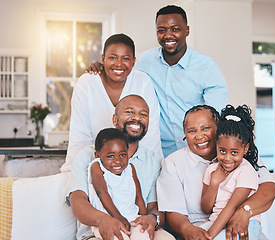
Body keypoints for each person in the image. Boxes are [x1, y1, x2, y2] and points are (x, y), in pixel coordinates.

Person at [85, 5, 228, 158]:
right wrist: (104, 68)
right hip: (160, 154)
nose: (168, 35)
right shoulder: (145, 61)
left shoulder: (207, 68)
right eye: (161, 30)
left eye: (175, 29)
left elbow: (217, 118)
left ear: (187, 31)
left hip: (197, 151)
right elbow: (124, 72)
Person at [156, 105, 275, 240]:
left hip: (241, 225)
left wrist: (244, 211)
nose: (199, 136)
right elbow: (174, 213)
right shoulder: (173, 163)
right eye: (191, 131)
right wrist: (188, 230)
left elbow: (269, 189)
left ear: (218, 128)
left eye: (206, 128)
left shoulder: (242, 155)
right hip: (200, 229)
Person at [69, 94, 174, 240]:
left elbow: (154, 207)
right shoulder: (87, 156)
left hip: (136, 225)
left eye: (143, 114)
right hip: (96, 233)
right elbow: (78, 202)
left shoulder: (153, 161)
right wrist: (104, 220)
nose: (137, 118)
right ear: (115, 119)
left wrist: (152, 219)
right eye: (130, 112)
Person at [61, 33, 162, 172]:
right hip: (95, 165)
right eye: (112, 57)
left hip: (135, 166)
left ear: (133, 61)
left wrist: (156, 170)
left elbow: (151, 135)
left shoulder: (143, 82)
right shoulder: (87, 82)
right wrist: (74, 173)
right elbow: (80, 135)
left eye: (125, 58)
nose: (119, 64)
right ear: (103, 58)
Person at [200, 105, 262, 240]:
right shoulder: (212, 170)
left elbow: (231, 207)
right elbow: (205, 208)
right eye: (222, 151)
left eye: (234, 152)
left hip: (244, 224)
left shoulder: (246, 171)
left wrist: (209, 236)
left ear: (245, 149)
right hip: (216, 221)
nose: (227, 158)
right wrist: (214, 184)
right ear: (216, 145)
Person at [88, 128, 149, 240]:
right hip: (108, 221)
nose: (118, 161)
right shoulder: (97, 167)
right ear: (97, 155)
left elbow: (138, 195)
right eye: (111, 156)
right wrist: (118, 217)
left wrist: (144, 218)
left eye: (122, 155)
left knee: (143, 236)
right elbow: (102, 192)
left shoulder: (130, 168)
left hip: (132, 218)